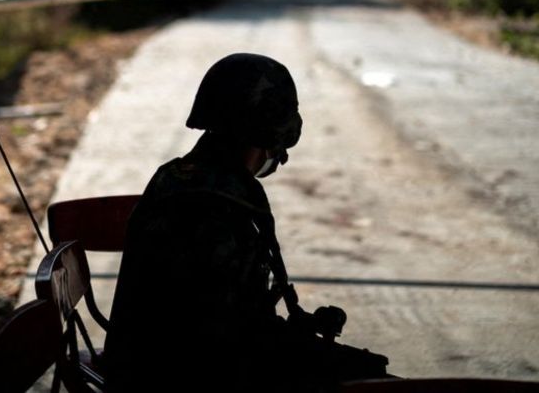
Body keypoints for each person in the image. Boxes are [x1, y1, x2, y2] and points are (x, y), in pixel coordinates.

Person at [103, 53, 390, 392]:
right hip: (181, 373)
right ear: (269, 136)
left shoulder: (178, 176)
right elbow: (227, 339)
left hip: (155, 363)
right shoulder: (217, 207)